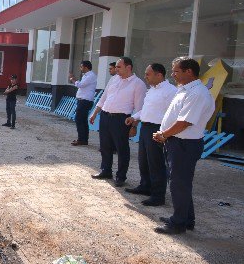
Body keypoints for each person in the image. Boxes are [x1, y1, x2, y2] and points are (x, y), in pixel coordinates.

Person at [152, 57, 215, 234]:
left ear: (189, 72)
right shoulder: (185, 90)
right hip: (176, 142)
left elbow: (185, 122)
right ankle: (186, 218)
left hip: (185, 144)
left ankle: (178, 223)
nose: (172, 74)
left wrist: (164, 134)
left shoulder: (197, 93)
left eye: (176, 71)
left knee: (179, 183)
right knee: (181, 183)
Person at [124, 64, 176, 206]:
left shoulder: (170, 91)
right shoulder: (151, 90)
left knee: (156, 162)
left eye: (148, 74)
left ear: (159, 75)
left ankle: (158, 195)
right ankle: (145, 186)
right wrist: (134, 117)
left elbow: (173, 114)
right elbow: (146, 110)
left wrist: (165, 133)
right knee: (144, 160)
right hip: (146, 127)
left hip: (158, 128)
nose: (145, 77)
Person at [89, 57, 146, 186]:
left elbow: (139, 108)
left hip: (121, 119)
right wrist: (95, 113)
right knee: (105, 146)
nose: (116, 69)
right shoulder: (114, 79)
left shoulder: (138, 84)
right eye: (116, 67)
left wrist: (134, 126)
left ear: (128, 67)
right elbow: (104, 98)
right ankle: (106, 170)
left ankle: (121, 176)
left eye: (119, 67)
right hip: (105, 116)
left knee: (122, 148)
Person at [69, 60, 97, 146]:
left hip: (85, 101)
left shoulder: (91, 75)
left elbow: (80, 85)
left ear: (86, 67)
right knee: (83, 120)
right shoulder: (87, 75)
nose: (80, 68)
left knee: (79, 119)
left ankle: (81, 139)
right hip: (83, 100)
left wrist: (73, 79)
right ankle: (83, 139)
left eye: (81, 67)